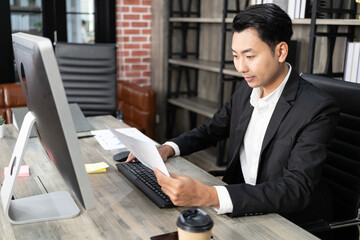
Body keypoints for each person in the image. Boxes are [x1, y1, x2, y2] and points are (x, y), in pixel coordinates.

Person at [127, 3, 339, 227]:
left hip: (287, 221)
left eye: (249, 56)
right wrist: (168, 148)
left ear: (281, 51)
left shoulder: (317, 108)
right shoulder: (246, 89)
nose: (241, 67)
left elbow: (296, 189)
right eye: (236, 56)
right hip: (242, 208)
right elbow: (211, 130)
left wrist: (209, 195)